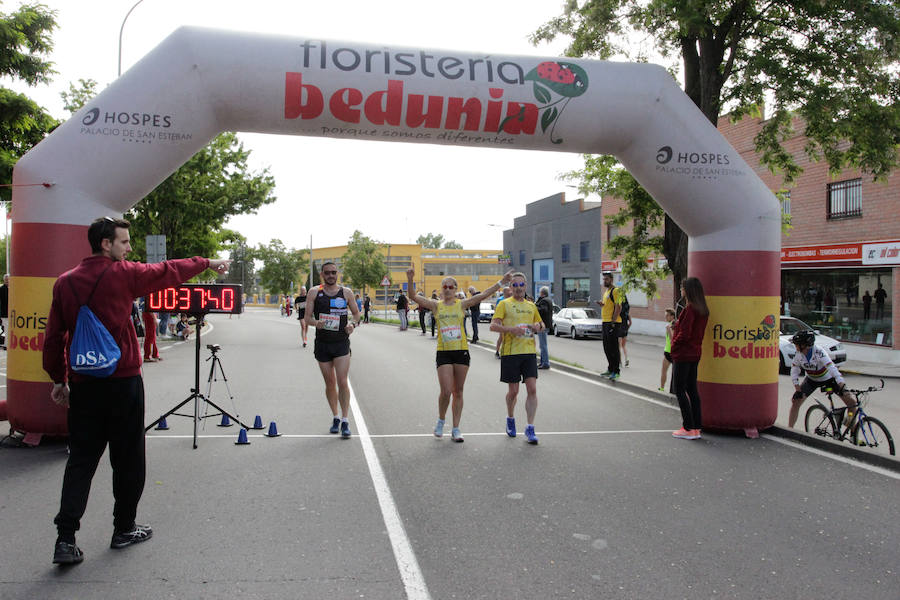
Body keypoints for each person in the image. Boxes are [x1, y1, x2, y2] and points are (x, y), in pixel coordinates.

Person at [43, 216, 229, 565]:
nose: (129, 249)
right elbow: (168, 270)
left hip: (83, 386)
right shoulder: (124, 274)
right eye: (124, 242)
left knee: (81, 461)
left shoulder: (64, 284)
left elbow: (53, 338)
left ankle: (65, 539)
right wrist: (207, 262)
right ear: (106, 244)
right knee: (128, 459)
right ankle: (123, 528)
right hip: (123, 383)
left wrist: (59, 380)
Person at [407, 267, 511, 442]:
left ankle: (456, 428)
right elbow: (413, 297)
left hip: (461, 352)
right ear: (442, 290)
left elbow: (483, 295)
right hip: (444, 352)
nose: (447, 290)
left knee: (459, 391)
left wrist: (501, 282)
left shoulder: (461, 305)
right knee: (446, 391)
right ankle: (441, 420)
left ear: (455, 290)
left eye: (451, 287)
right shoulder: (435, 306)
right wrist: (410, 279)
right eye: (445, 287)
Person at [305, 261, 361, 438]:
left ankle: (345, 420)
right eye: (327, 273)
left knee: (342, 381)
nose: (331, 275)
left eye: (333, 272)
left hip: (341, 343)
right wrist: (316, 323)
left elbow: (357, 314)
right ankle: (335, 417)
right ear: (322, 274)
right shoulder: (314, 292)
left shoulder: (346, 292)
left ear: (338, 274)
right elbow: (306, 318)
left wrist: (352, 324)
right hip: (322, 344)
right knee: (330, 382)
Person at [491, 272, 545, 444]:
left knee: (532, 389)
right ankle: (510, 418)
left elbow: (542, 325)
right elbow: (493, 326)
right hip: (510, 353)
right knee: (513, 392)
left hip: (528, 352)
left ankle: (530, 428)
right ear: (510, 287)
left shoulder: (531, 306)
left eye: (521, 285)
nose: (519, 288)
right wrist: (511, 330)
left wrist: (538, 326)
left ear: (526, 286)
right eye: (515, 285)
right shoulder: (504, 304)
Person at [787, 330, 857, 429]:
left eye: (797, 344)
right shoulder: (799, 354)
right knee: (795, 401)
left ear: (805, 345)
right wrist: (797, 388)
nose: (795, 347)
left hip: (828, 379)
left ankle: (852, 431)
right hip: (812, 380)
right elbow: (794, 370)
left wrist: (841, 383)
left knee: (852, 402)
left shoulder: (819, 352)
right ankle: (790, 429)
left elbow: (831, 367)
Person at [670, 277, 710, 440]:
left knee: (679, 389)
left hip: (683, 353)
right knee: (692, 389)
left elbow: (684, 334)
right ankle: (696, 428)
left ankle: (687, 427)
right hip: (695, 352)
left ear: (688, 290)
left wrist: (674, 345)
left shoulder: (690, 309)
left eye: (682, 287)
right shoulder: (702, 309)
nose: (681, 290)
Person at [595, 272, 624, 380]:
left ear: (611, 280)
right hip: (605, 321)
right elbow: (607, 304)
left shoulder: (616, 291)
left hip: (613, 323)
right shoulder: (606, 291)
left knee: (613, 348)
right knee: (606, 347)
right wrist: (602, 304)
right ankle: (610, 369)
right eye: (603, 279)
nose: (604, 281)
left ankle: (616, 371)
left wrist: (613, 321)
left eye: (606, 279)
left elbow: (618, 307)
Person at [534, 286, 553, 369]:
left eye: (540, 292)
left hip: (542, 325)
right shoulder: (548, 300)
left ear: (542, 293)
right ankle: (543, 362)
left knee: (543, 345)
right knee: (543, 345)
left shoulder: (544, 301)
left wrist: (534, 307)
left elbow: (543, 310)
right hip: (546, 325)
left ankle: (545, 362)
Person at [659, 308, 676, 392]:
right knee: (664, 371)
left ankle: (672, 390)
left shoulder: (673, 325)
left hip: (672, 352)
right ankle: (662, 388)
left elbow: (672, 339)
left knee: (673, 373)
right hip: (668, 351)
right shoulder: (670, 324)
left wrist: (669, 329)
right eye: (665, 315)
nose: (665, 317)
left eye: (667, 315)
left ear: (672, 316)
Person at [494, 286, 511, 358]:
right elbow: (496, 310)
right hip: (502, 321)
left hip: (509, 321)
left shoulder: (511, 299)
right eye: (508, 291)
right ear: (504, 292)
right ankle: (498, 351)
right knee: (501, 337)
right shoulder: (500, 300)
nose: (510, 292)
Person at [0, 273, 8, 348]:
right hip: (4, 313)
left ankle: (7, 344)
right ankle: (6, 345)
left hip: (12, 313)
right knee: (7, 329)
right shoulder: (1, 289)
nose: (7, 281)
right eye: (6, 280)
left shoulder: (13, 288)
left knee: (8, 329)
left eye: (8, 279)